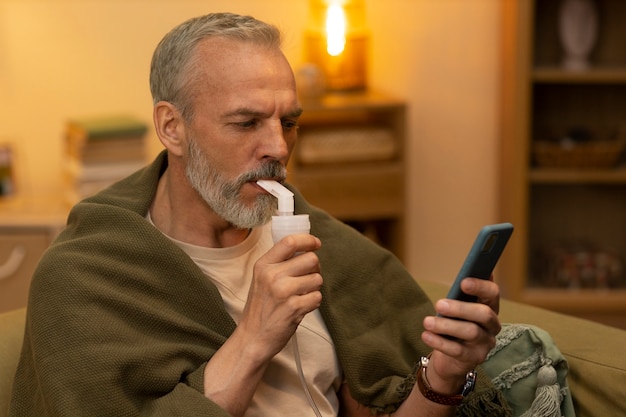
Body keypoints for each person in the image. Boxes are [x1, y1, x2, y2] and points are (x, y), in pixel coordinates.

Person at [9, 12, 511, 417]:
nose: (277, 148)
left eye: (288, 122)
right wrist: (254, 337)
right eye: (246, 122)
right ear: (172, 128)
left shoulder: (320, 243)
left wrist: (444, 374)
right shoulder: (86, 277)